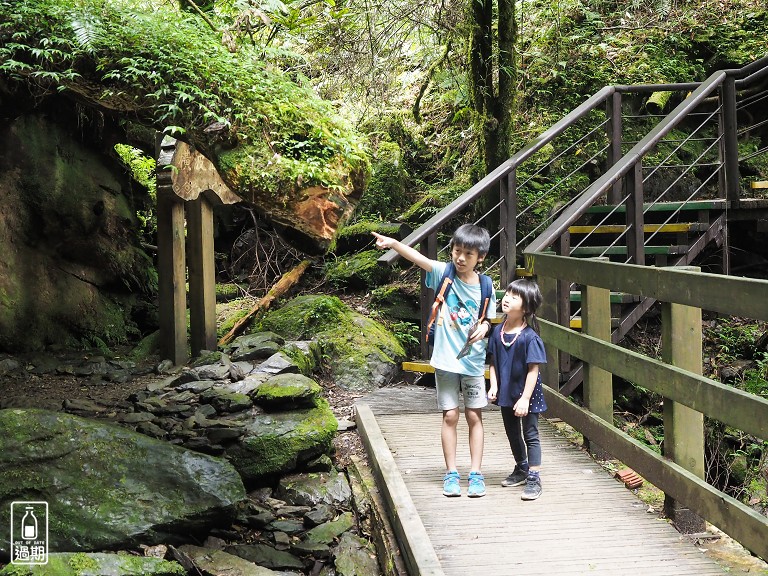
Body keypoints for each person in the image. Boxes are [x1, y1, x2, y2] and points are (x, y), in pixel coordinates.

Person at [372, 224, 496, 498]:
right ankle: (451, 473)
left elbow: (489, 319)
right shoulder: (444, 273)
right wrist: (394, 243)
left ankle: (475, 474)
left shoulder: (486, 286)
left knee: (475, 415)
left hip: (473, 363)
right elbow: (420, 259)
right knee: (450, 415)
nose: (460, 258)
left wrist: (485, 328)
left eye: (468, 254)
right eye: (457, 251)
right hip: (444, 361)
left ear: (481, 257)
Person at [487, 279, 547, 500]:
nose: (507, 299)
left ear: (526, 308)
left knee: (530, 434)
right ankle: (521, 467)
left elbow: (534, 371)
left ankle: (534, 476)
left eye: (514, 296)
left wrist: (525, 399)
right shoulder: (496, 331)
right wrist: (493, 386)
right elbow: (492, 361)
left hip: (527, 394)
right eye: (507, 294)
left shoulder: (530, 337)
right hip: (506, 392)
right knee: (512, 433)